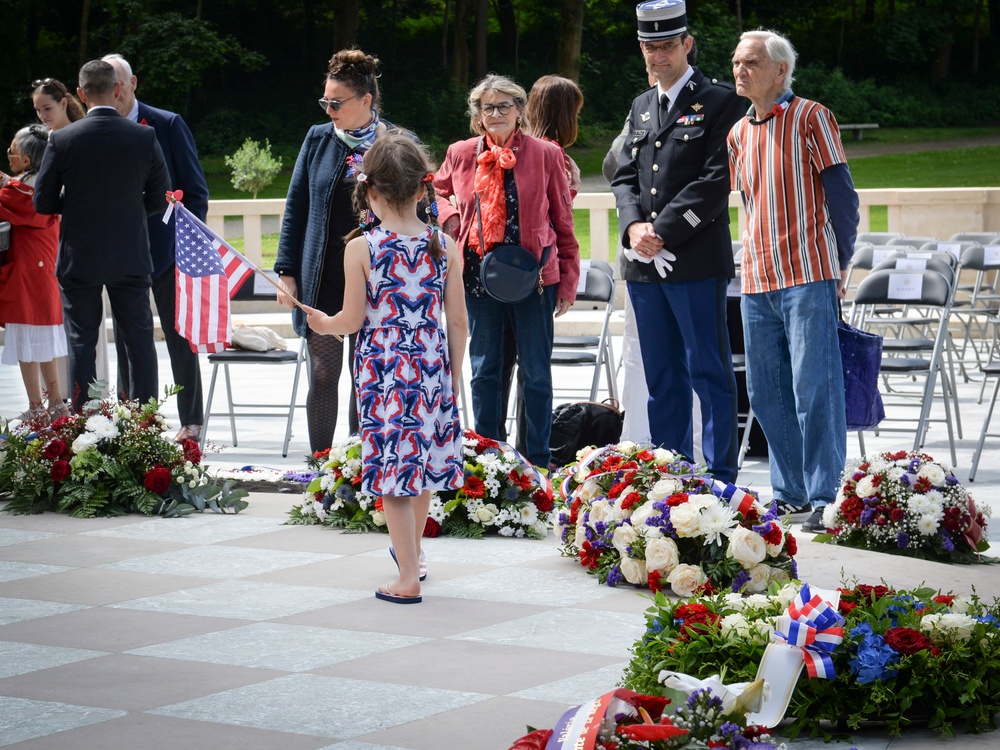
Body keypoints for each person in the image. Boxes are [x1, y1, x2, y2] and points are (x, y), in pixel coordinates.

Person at [302, 132, 466, 604]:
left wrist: (323, 321)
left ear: (369, 192)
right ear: (421, 189)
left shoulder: (363, 248)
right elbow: (457, 319)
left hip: (385, 373)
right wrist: (450, 375)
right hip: (431, 367)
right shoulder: (443, 243)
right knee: (422, 468)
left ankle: (407, 578)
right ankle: (413, 556)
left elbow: (351, 321)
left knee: (394, 474)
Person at [727, 29, 859, 533]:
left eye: (752, 62)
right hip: (756, 277)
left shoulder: (812, 117)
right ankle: (790, 493)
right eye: (737, 62)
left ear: (780, 70)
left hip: (809, 273)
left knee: (815, 386)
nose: (741, 69)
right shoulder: (738, 132)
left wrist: (840, 261)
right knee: (766, 391)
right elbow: (749, 203)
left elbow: (843, 199)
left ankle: (825, 494)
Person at [610, 0, 744, 482]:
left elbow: (713, 180)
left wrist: (661, 230)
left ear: (687, 44)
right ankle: (672, 474)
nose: (658, 56)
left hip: (693, 259)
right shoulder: (642, 105)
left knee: (708, 372)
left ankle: (721, 477)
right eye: (649, 46)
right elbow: (623, 176)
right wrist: (633, 228)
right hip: (643, 264)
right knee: (661, 376)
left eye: (667, 46)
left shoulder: (722, 101)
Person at [434, 74, 580, 472]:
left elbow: (563, 221)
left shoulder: (546, 154)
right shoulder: (461, 152)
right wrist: (448, 217)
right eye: (487, 107)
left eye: (504, 107)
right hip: (478, 278)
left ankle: (536, 462)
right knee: (484, 371)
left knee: (536, 373)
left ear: (520, 111)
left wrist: (567, 281)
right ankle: (489, 459)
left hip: (533, 279)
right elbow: (435, 191)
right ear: (477, 115)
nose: (495, 114)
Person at [275, 49, 399, 453]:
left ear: (366, 101)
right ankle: (321, 469)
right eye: (324, 101)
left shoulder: (396, 143)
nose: (329, 109)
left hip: (377, 277)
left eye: (336, 102)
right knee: (324, 373)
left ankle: (360, 469)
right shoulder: (317, 138)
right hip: (322, 277)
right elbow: (296, 207)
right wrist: (286, 270)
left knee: (367, 376)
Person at [33, 60, 170, 412]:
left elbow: (43, 201)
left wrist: (79, 205)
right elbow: (159, 197)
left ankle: (83, 425)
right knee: (139, 340)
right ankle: (145, 424)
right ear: (118, 89)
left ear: (79, 94)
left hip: (80, 255)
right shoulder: (143, 136)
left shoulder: (62, 139)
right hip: (130, 253)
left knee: (81, 342)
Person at [102, 53, 210, 444]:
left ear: (133, 83)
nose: (114, 91)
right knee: (130, 340)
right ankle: (130, 420)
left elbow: (196, 192)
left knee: (180, 339)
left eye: (119, 82)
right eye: (106, 83)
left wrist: (184, 241)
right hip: (120, 254)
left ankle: (192, 421)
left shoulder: (166, 124)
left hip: (168, 252)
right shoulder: (98, 129)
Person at [493, 74, 584, 452]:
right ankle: (531, 451)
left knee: (501, 366)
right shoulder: (549, 153)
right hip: (530, 275)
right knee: (529, 369)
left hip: (506, 274)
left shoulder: (529, 148)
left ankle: (497, 449)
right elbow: (555, 221)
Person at [0, 125, 67, 422]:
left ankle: (45, 406)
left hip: (29, 274)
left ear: (27, 160)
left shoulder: (22, 193)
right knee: (35, 341)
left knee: (30, 340)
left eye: (13, 149)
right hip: (36, 272)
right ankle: (49, 405)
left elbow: (12, 199)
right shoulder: (39, 184)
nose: (8, 153)